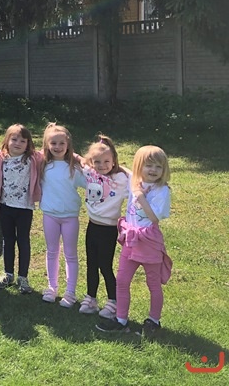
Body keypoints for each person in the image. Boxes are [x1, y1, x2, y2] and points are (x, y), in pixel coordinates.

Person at [97, 146, 172, 336]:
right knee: (122, 281)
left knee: (153, 283)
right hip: (130, 239)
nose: (153, 170)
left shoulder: (162, 191)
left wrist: (140, 196)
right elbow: (120, 168)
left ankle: (154, 320)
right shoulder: (134, 180)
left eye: (158, 166)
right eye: (149, 165)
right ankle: (121, 319)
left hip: (149, 241)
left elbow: (154, 218)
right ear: (139, 166)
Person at [78, 135, 130, 317]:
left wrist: (121, 168)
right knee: (91, 264)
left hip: (108, 229)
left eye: (107, 161)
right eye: (97, 161)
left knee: (105, 266)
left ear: (114, 160)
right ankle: (91, 299)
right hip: (92, 226)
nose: (102, 165)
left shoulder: (121, 179)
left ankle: (113, 301)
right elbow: (76, 159)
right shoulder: (90, 173)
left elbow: (137, 179)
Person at [39, 123, 87, 307]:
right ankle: (52, 287)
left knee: (70, 254)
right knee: (52, 251)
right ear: (47, 145)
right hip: (49, 215)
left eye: (61, 143)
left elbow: (90, 183)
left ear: (68, 145)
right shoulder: (42, 165)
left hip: (70, 218)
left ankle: (70, 292)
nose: (57, 147)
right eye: (53, 143)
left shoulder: (74, 168)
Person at [0, 124, 42, 294]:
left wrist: (78, 157)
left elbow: (52, 152)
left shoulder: (32, 158)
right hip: (5, 206)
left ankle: (23, 277)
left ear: (28, 144)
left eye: (23, 141)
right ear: (7, 140)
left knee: (23, 241)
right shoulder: (1, 158)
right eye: (14, 139)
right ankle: (8, 274)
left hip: (24, 208)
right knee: (8, 240)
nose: (18, 143)